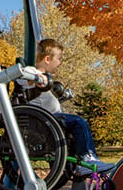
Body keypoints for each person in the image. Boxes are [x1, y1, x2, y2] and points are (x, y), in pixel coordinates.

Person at [25, 38, 115, 175]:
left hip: (51, 119)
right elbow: (23, 76)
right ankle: (87, 157)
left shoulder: (45, 77)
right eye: (59, 58)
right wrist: (38, 77)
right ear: (48, 59)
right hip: (45, 121)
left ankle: (77, 169)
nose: (60, 63)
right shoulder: (31, 72)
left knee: (74, 133)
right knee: (79, 122)